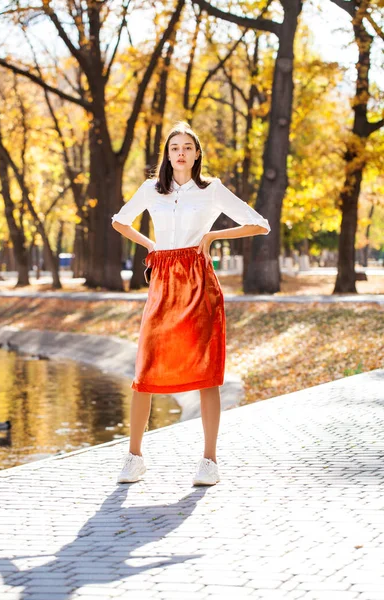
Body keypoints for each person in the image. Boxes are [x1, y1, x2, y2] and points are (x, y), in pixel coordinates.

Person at [111, 121, 270, 486]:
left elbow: (259, 225)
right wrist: (150, 246)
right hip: (163, 280)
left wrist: (214, 234)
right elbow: (120, 221)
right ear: (167, 155)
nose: (180, 153)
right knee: (146, 370)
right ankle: (134, 458)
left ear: (197, 154)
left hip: (199, 281)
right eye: (174, 148)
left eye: (187, 147)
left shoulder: (211, 189)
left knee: (206, 370)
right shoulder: (151, 189)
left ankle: (209, 461)